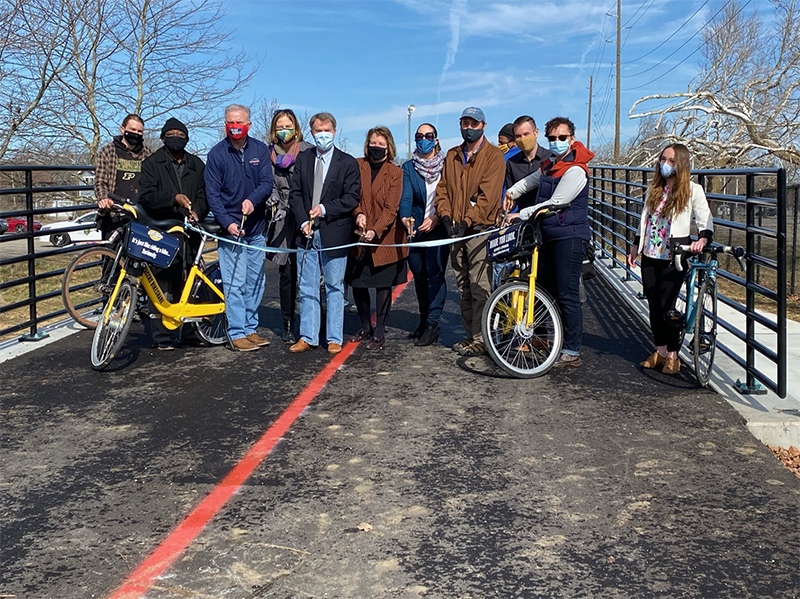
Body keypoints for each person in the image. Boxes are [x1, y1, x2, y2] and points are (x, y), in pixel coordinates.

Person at [504, 116, 594, 368]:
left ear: (571, 139)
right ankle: (545, 339)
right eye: (552, 138)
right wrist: (511, 193)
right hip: (548, 235)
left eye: (561, 138)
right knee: (543, 286)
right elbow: (529, 182)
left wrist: (519, 214)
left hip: (570, 236)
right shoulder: (550, 164)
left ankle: (572, 350)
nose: (556, 142)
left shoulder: (576, 169)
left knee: (567, 292)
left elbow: (557, 202)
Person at [627, 143, 713, 375]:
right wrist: (636, 246)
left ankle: (673, 355)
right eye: (663, 159)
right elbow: (644, 220)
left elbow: (704, 217)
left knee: (667, 306)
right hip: (650, 253)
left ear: (681, 164)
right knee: (654, 303)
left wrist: (703, 239)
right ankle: (660, 351)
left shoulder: (692, 190)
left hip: (675, 254)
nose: (665, 164)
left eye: (671, 161)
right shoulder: (654, 188)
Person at [434, 106, 505, 357]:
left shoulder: (494, 157)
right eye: (465, 123)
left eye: (474, 124)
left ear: (483, 126)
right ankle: (470, 335)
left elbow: (488, 196)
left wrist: (467, 220)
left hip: (479, 230)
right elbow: (442, 189)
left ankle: (482, 337)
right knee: (463, 285)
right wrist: (444, 215)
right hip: (455, 230)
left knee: (479, 285)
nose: (469, 128)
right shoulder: (452, 155)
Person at [288, 112, 360, 355]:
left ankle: (333, 337)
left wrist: (325, 209)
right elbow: (294, 194)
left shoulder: (348, 163)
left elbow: (351, 198)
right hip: (306, 234)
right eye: (318, 132)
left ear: (335, 132)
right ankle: (307, 336)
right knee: (306, 287)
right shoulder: (304, 159)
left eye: (327, 131)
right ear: (311, 133)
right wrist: (302, 222)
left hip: (334, 233)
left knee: (334, 287)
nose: (323, 136)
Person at [204, 104, 274, 352]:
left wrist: (252, 200)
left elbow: (267, 182)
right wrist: (228, 223)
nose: (235, 126)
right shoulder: (216, 155)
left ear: (249, 124)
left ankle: (250, 327)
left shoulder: (260, 150)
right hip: (231, 229)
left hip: (255, 227)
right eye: (230, 122)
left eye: (239, 122)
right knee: (235, 283)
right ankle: (236, 332)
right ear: (224, 124)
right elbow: (212, 194)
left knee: (256, 280)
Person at [138, 118, 209, 350]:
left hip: (191, 230)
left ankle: (191, 331)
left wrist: (197, 211)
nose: (176, 137)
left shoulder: (197, 164)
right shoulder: (151, 163)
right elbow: (146, 197)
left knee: (191, 279)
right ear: (163, 137)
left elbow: (204, 194)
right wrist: (173, 200)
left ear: (187, 138)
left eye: (180, 133)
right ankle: (163, 337)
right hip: (162, 230)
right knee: (162, 282)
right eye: (171, 133)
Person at [347, 126, 407, 351]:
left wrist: (376, 230)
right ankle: (364, 325)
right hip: (359, 234)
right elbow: (353, 196)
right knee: (358, 283)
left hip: (385, 237)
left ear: (388, 147)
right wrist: (358, 214)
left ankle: (379, 330)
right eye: (373, 142)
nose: (376, 147)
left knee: (383, 286)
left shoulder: (395, 172)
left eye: (381, 144)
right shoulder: (357, 165)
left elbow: (392, 208)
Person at [399, 123, 448, 346]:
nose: (423, 139)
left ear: (436, 140)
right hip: (416, 229)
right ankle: (422, 319)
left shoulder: (447, 166)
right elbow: (407, 197)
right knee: (418, 274)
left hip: (438, 227)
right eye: (419, 136)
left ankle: (432, 324)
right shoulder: (409, 167)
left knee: (435, 274)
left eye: (428, 135)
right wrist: (405, 217)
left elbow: (450, 196)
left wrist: (436, 218)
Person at [265, 109, 311, 344]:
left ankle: (310, 324)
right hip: (282, 217)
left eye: (288, 125)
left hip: (303, 213)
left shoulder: (307, 151)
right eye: (280, 126)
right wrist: (272, 200)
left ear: (296, 127)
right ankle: (287, 323)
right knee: (286, 273)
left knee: (308, 271)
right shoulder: (270, 154)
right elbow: (270, 183)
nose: (285, 130)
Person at [94, 114, 151, 238]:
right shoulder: (107, 151)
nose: (136, 134)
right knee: (112, 255)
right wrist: (103, 198)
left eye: (139, 131)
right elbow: (100, 182)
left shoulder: (147, 153)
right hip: (114, 213)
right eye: (132, 130)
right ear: (122, 129)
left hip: (139, 215)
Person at [505, 115, 553, 211]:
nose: (522, 139)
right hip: (522, 219)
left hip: (549, 216)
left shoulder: (551, 158)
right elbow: (512, 195)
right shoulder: (512, 163)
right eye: (518, 136)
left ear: (536, 133)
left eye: (526, 134)